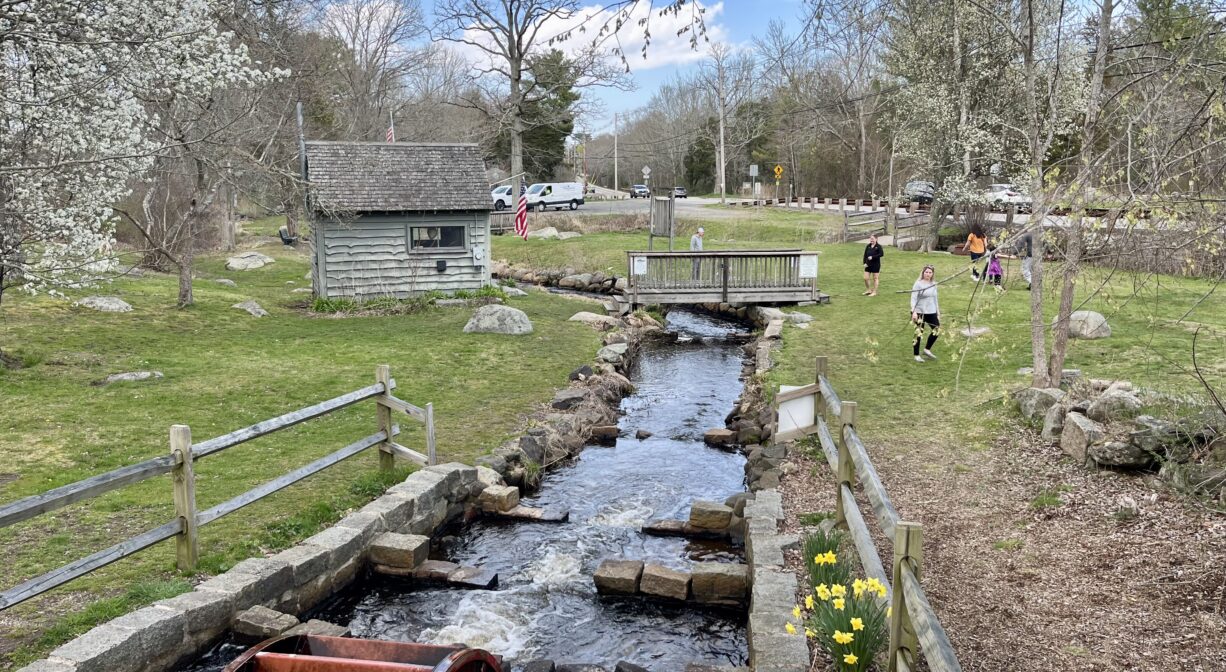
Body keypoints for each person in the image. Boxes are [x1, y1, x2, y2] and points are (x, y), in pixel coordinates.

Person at [910, 265, 940, 362]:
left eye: (930, 272)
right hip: (920, 311)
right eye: (926, 272)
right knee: (919, 333)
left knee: (937, 330)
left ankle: (927, 349)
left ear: (932, 274)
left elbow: (935, 299)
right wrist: (914, 312)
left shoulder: (934, 284)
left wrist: (938, 312)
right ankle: (916, 355)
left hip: (931, 311)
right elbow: (913, 297)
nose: (928, 274)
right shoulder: (918, 284)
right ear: (923, 273)